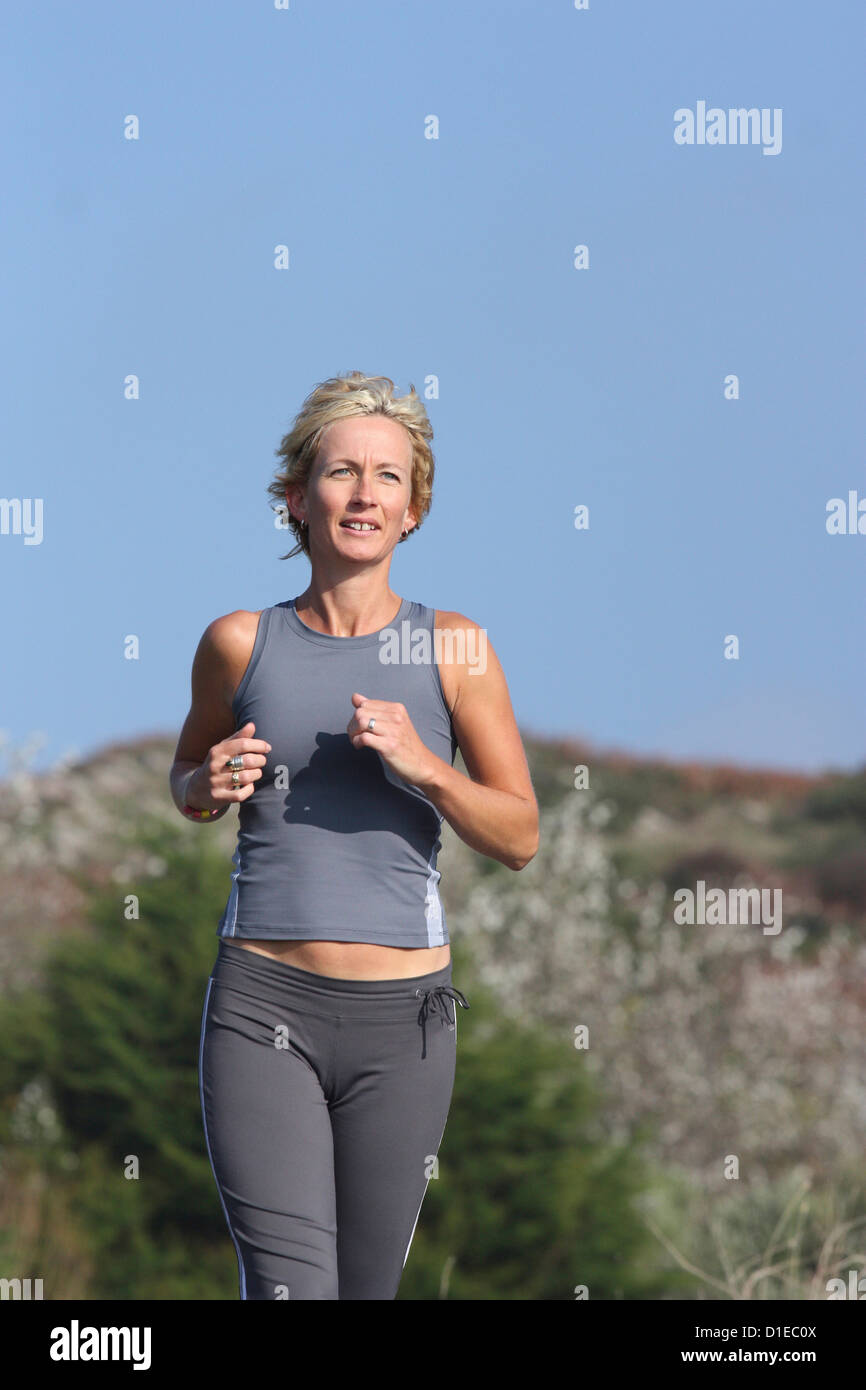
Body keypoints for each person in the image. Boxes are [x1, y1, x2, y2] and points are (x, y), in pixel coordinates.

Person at [169, 371, 538, 1299]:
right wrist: (205, 787)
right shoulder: (238, 642)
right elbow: (188, 778)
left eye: (388, 477)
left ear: (413, 509)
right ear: (298, 497)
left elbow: (521, 833)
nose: (365, 493)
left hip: (407, 1025)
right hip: (261, 1009)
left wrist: (427, 768)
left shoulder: (455, 648)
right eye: (342, 472)